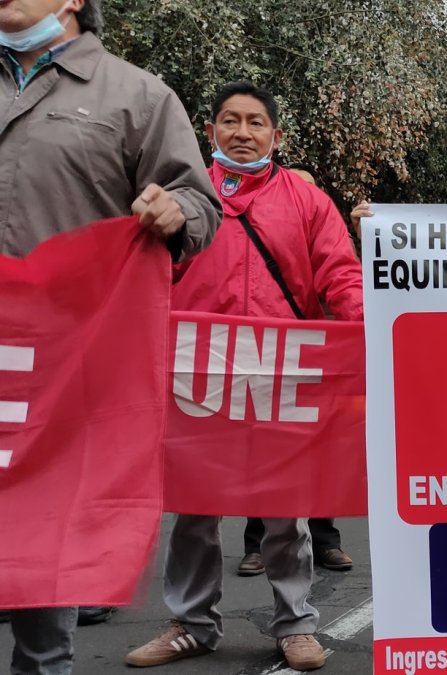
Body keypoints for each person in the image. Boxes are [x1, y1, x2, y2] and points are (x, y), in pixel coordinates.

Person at [0, 0, 221, 672]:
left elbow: (201, 201)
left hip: (60, 380)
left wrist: (172, 211)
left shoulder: (136, 95)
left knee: (40, 582)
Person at [126, 81, 362, 672]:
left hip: (283, 373)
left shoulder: (309, 202)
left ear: (276, 136)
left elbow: (341, 273)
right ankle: (191, 624)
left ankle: (296, 624)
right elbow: (137, 276)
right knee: (195, 506)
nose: (243, 132)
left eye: (256, 122)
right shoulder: (184, 199)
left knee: (287, 509)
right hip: (196, 373)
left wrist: (370, 330)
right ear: (209, 133)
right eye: (230, 121)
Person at [236, 165, 353, 578]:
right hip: (266, 354)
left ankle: (325, 541)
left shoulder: (327, 233)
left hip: (321, 357)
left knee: (315, 456)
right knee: (262, 452)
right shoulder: (255, 228)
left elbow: (345, 283)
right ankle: (256, 545)